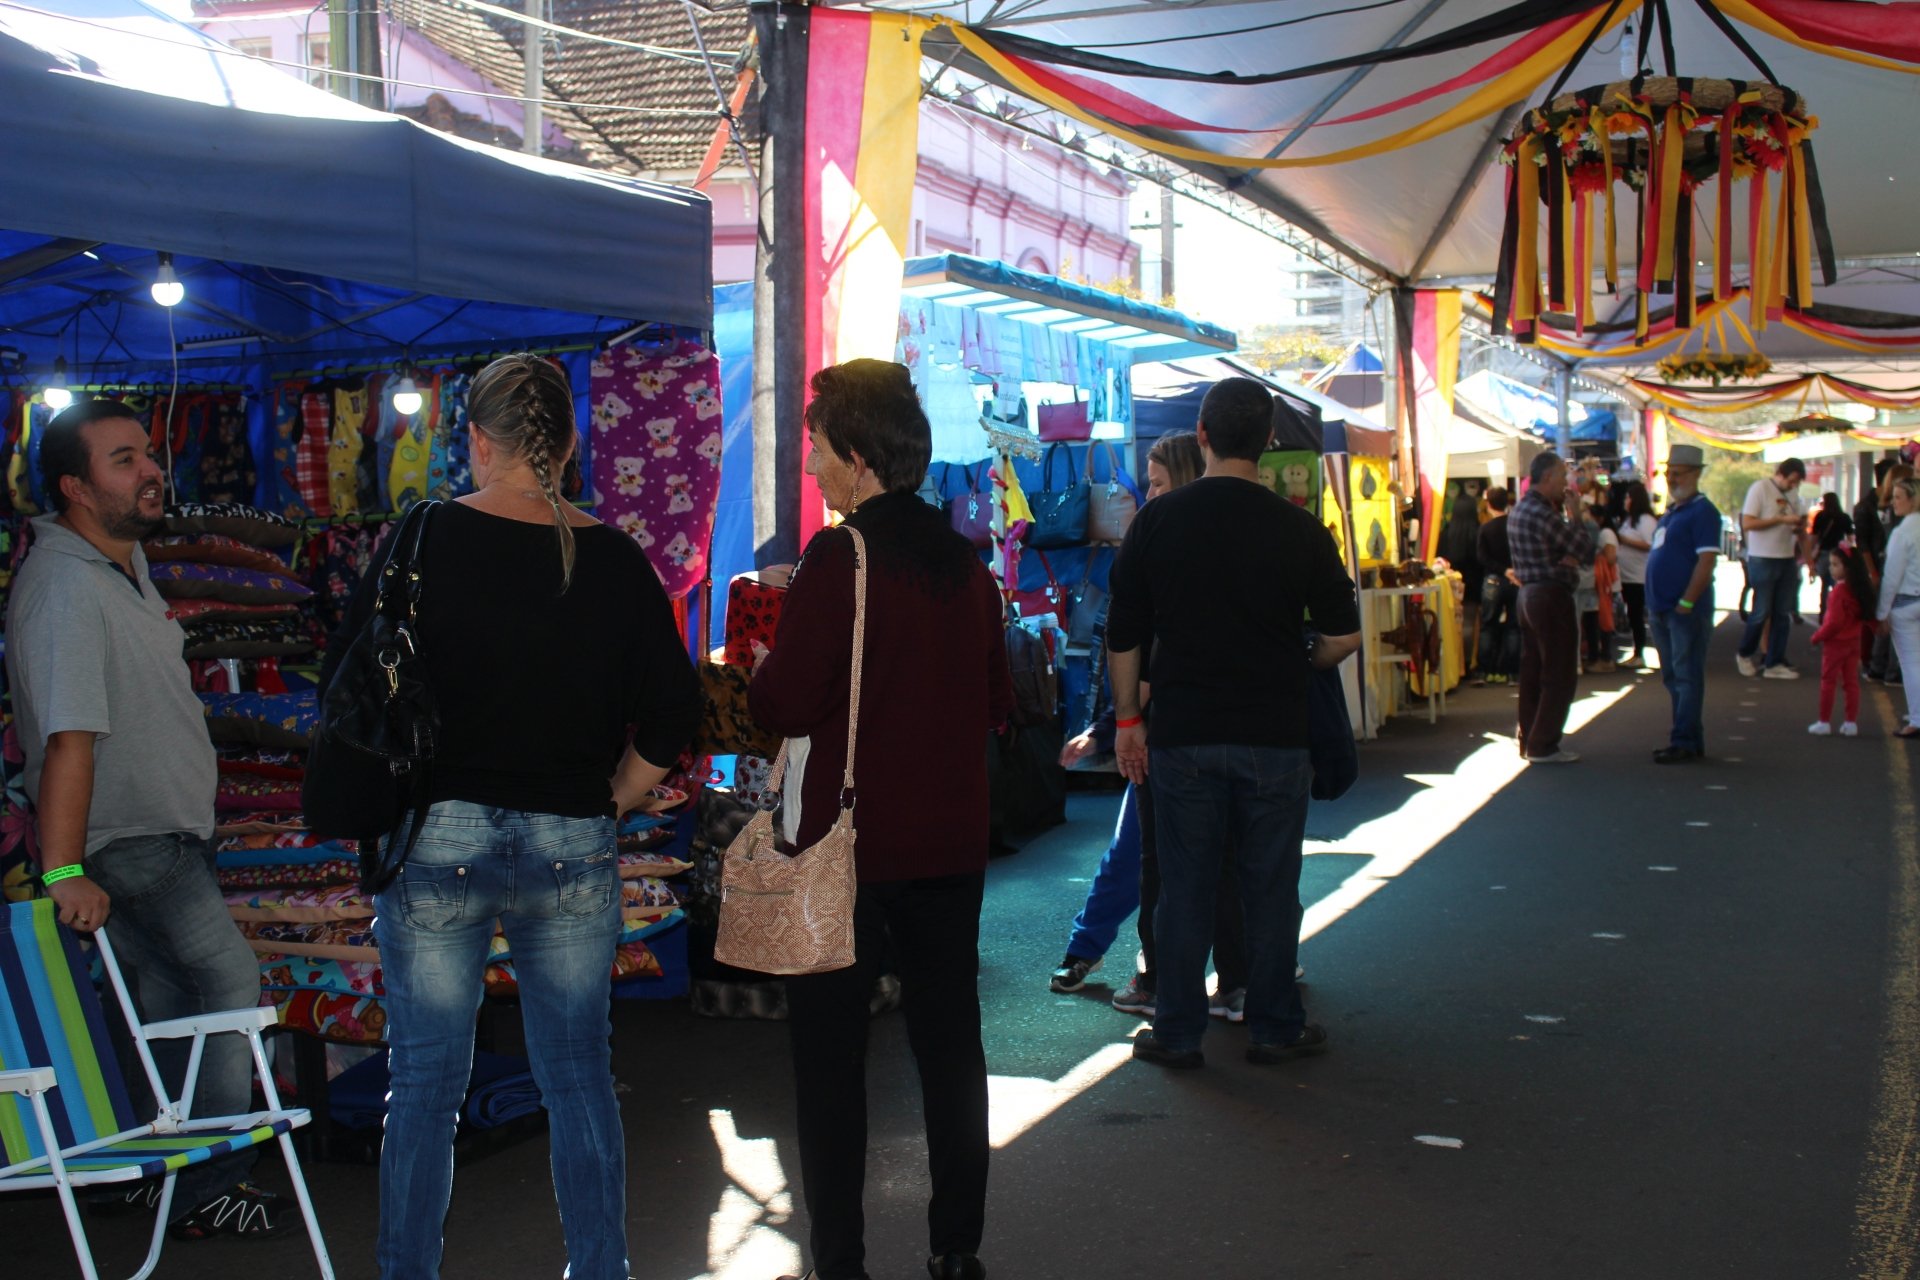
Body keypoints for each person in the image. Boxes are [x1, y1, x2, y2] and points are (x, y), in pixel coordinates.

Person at [329, 355, 703, 1280]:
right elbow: (676, 717)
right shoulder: (614, 559)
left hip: (439, 834)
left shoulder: (421, 539)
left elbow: (354, 683)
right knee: (578, 1076)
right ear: (571, 446)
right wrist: (613, 798)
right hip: (571, 836)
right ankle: (599, 1270)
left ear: (476, 441)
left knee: (423, 1084)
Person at [3, 400, 293, 1240]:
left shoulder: (116, 566)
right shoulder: (63, 588)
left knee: (170, 1003)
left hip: (155, 834)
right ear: (75, 488)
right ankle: (211, 1182)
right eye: (124, 460)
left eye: (150, 454)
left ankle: (161, 1163)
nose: (151, 471)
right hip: (127, 842)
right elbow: (66, 739)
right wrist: (64, 869)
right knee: (232, 988)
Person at [749, 359, 1012, 1280]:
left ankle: (842, 1261)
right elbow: (997, 698)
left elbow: (784, 699)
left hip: (847, 850)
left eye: (819, 445)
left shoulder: (839, 558)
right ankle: (956, 1247)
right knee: (951, 1047)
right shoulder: (965, 562)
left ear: (856, 456)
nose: (813, 464)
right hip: (950, 843)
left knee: (831, 1059)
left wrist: (761, 654)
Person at [1107, 377, 1360, 1070]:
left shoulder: (1158, 523)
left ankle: (1177, 1032)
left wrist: (1129, 719)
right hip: (1276, 736)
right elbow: (1345, 635)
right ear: (1270, 441)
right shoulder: (1300, 529)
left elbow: (1123, 633)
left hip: (1184, 734)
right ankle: (1276, 1024)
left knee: (1184, 888)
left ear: (1204, 436)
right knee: (1271, 888)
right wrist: (1301, 653)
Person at [1052, 432, 1248, 1022]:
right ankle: (1233, 977)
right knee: (1214, 860)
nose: (1147, 495)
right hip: (1211, 729)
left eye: (1158, 483)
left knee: (1156, 860)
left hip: (1169, 733)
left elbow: (1140, 652)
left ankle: (1161, 982)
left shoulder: (1164, 551)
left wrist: (1120, 727)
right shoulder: (1221, 546)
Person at [1506, 451, 1593, 763]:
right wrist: (1577, 517)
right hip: (1549, 595)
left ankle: (1529, 738)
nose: (1566, 483)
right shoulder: (1544, 514)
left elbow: (1572, 552)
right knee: (1558, 672)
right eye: (1561, 476)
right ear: (1547, 478)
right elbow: (1582, 549)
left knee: (1533, 671)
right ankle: (1543, 744)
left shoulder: (1522, 509)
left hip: (1529, 593)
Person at [1644, 445, 1722, 764]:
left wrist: (1687, 601)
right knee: (1674, 676)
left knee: (1686, 674)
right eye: (1668, 472)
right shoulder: (1673, 513)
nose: (1671, 478)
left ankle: (1685, 739)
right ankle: (1687, 736)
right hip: (1663, 607)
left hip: (1683, 609)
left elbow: (1706, 561)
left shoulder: (1703, 512)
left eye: (1678, 473)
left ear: (1696, 474)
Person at [1736, 457, 1809, 679]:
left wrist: (1806, 552)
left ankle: (1774, 662)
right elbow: (1748, 523)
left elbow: (1800, 531)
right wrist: (1780, 521)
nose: (1793, 486)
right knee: (1761, 611)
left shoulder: (1794, 496)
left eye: (1797, 482)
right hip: (1762, 557)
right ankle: (1745, 652)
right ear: (1781, 473)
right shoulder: (1760, 489)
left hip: (1786, 557)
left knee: (1782, 612)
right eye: (1792, 481)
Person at [1808, 544, 1877, 737]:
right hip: (1854, 642)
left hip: (1835, 645)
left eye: (1835, 564)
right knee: (1851, 683)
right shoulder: (1859, 591)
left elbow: (1834, 622)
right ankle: (1850, 722)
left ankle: (1824, 721)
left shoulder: (1838, 592)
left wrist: (1817, 636)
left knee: (1828, 681)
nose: (1831, 568)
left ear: (1847, 567)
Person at [1875, 476, 1920, 740]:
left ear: (1912, 500)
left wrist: (1881, 613)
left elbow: (1892, 577)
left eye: (1898, 497)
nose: (1893, 503)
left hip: (1905, 603)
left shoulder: (1902, 533)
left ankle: (1916, 719)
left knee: (1912, 664)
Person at [1869, 464, 1913, 686]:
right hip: (1905, 584)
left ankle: (1878, 666)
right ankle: (1893, 672)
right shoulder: (1903, 525)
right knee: (1904, 641)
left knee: (1890, 625)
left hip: (1892, 572)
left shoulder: (1883, 510)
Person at [1475, 487, 1518, 686]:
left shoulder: (1486, 528)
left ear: (1489, 504)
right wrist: (1511, 571)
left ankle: (1484, 671)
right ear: (1507, 503)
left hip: (1492, 580)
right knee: (1513, 627)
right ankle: (1512, 673)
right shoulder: (1516, 527)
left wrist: (1501, 570)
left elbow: (1482, 557)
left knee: (1488, 626)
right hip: (1515, 580)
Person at [1614, 480, 1658, 668]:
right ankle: (1636, 651)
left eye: (1627, 497)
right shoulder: (1628, 520)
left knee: (1638, 614)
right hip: (1627, 576)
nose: (1625, 501)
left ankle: (1640, 653)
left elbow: (1650, 545)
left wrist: (1624, 540)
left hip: (1639, 576)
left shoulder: (1646, 521)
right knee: (1633, 614)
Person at [1579, 499, 1619, 675]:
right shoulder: (1600, 531)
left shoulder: (1603, 533)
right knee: (1595, 619)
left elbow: (1610, 557)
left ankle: (1603, 658)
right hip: (1598, 582)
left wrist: (1598, 555)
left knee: (1599, 620)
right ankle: (1599, 657)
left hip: (1602, 583)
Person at [1810, 492, 1853, 612]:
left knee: (1824, 584)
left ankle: (1823, 611)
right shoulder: (1844, 517)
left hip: (1823, 553)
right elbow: (1850, 538)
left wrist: (1812, 553)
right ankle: (1835, 610)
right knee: (1837, 583)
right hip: (1838, 555)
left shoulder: (1820, 516)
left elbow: (1814, 537)